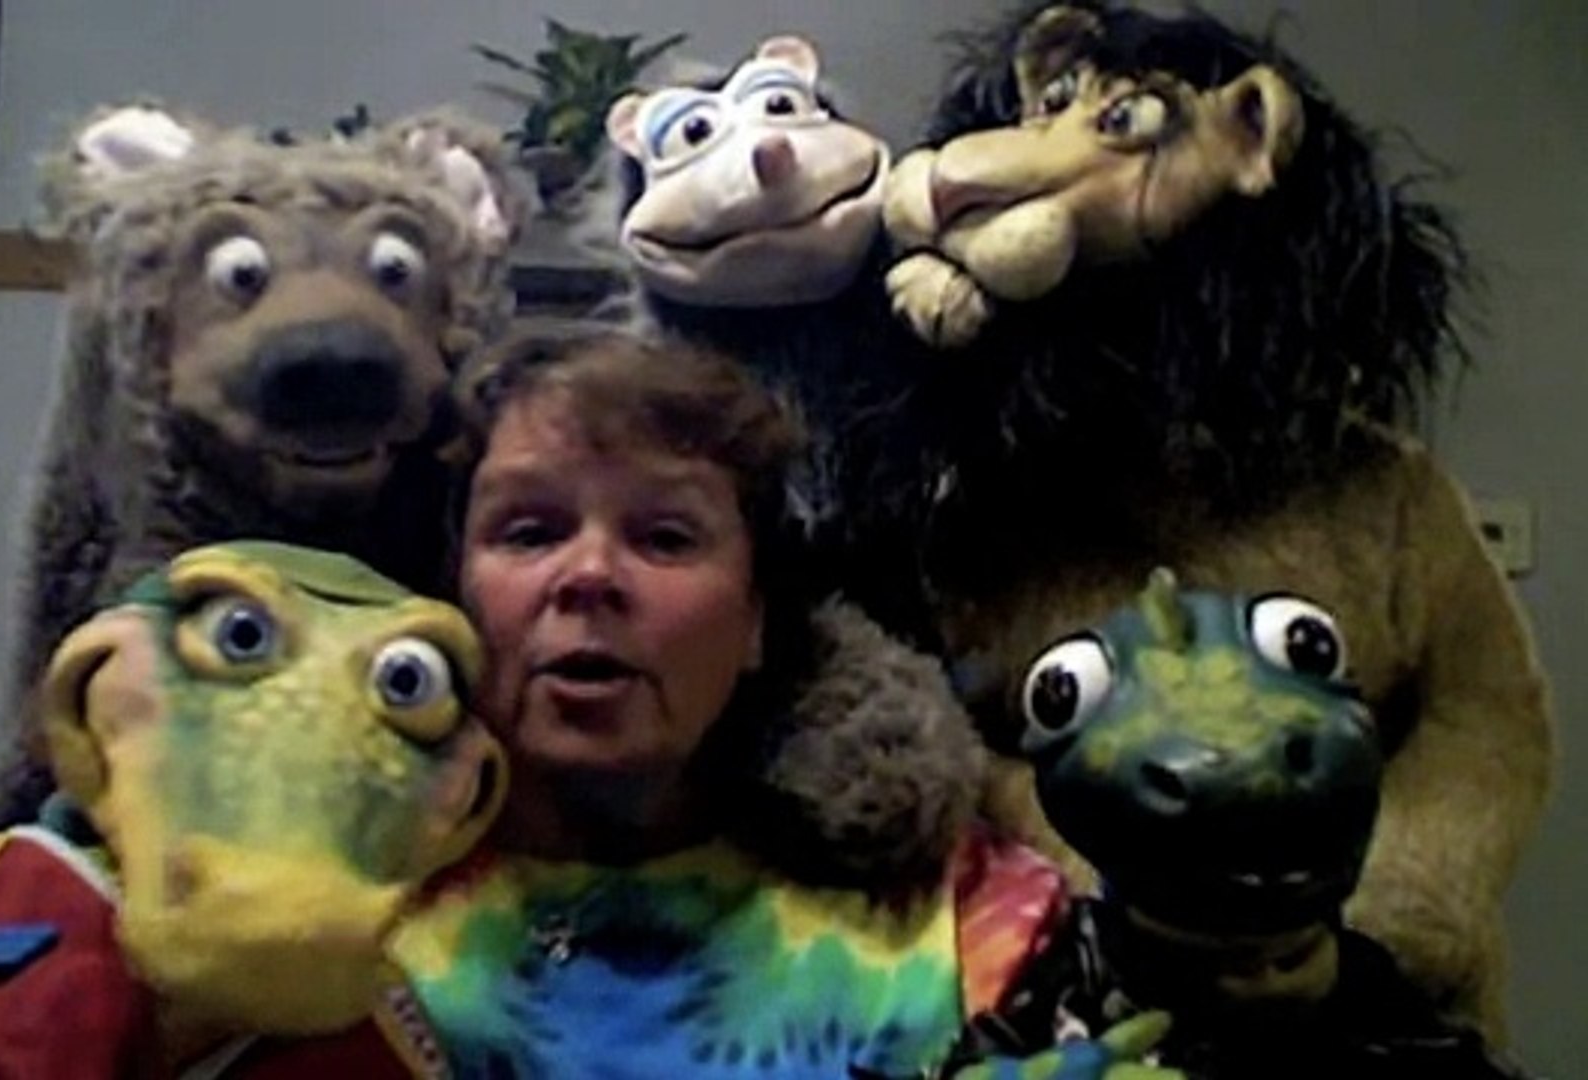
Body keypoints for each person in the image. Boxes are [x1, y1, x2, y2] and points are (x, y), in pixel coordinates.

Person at [227, 331, 1146, 1080]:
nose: (588, 574)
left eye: (665, 538)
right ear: (453, 593)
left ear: (756, 621)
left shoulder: (970, 915)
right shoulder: (305, 920)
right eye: (530, 531)